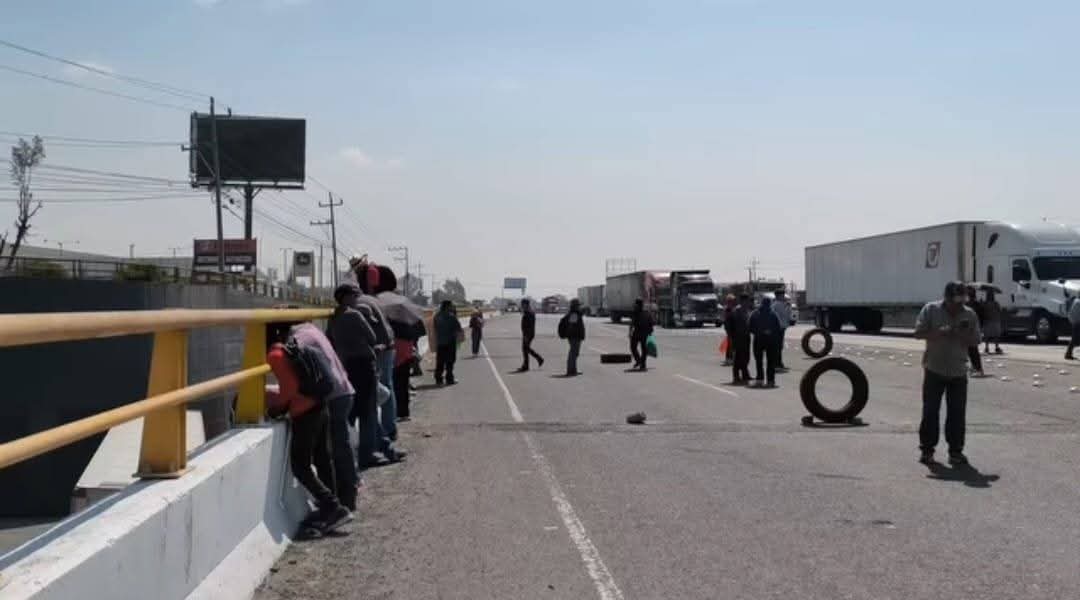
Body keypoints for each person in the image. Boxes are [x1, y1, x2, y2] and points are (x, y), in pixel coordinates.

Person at [266, 321, 356, 527]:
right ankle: (331, 509)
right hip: (320, 406)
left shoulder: (275, 356)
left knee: (300, 466)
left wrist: (277, 409)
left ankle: (333, 506)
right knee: (322, 458)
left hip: (304, 412)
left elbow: (289, 388)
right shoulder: (292, 349)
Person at [328, 282, 405, 470]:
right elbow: (371, 337)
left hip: (347, 366)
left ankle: (384, 446)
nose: (357, 299)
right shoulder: (354, 314)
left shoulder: (334, 317)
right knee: (369, 411)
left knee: (358, 410)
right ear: (346, 297)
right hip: (364, 365)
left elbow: (331, 339)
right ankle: (369, 453)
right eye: (355, 296)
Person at [914, 281, 981, 466]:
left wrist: (962, 335)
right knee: (930, 412)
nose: (958, 305)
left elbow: (976, 339)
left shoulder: (969, 314)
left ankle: (955, 451)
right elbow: (918, 333)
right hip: (934, 368)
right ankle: (927, 450)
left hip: (958, 371)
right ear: (947, 298)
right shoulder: (931, 310)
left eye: (962, 301)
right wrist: (938, 333)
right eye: (955, 301)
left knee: (957, 414)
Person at [749, 295, 783, 388]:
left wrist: (759, 332)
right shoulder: (773, 314)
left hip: (759, 340)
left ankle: (760, 380)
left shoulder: (755, 313)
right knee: (770, 362)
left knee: (759, 361)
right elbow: (779, 328)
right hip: (770, 341)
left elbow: (750, 327)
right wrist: (770, 332)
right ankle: (770, 381)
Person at [434, 300, 462, 384]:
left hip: (440, 342)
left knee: (440, 362)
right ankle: (449, 379)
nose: (452, 307)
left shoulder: (437, 316)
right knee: (450, 362)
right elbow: (458, 328)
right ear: (447, 307)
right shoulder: (451, 316)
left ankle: (438, 379)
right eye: (451, 306)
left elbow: (434, 328)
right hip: (450, 342)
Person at [728, 294, 752, 385]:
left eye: (748, 301)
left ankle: (745, 374)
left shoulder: (747, 311)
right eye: (746, 301)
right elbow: (729, 325)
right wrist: (731, 336)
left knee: (746, 356)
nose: (748, 303)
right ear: (742, 301)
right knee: (738, 357)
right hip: (737, 337)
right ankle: (736, 376)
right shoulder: (736, 311)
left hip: (746, 336)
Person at [559, 299, 587, 376]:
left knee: (575, 353)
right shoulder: (574, 314)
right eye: (578, 306)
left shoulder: (575, 313)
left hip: (574, 336)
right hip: (574, 337)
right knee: (573, 354)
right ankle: (570, 371)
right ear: (575, 306)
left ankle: (573, 370)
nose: (579, 307)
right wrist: (573, 335)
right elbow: (571, 326)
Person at [516, 299, 544, 372]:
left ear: (526, 304)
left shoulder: (529, 313)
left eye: (522, 304)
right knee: (525, 349)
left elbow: (529, 325)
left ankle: (538, 359)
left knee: (525, 348)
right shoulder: (528, 312)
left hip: (528, 334)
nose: (521, 305)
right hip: (528, 333)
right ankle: (528, 364)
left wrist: (526, 335)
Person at [629, 298, 655, 371]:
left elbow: (632, 323)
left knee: (634, 347)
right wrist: (650, 332)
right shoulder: (646, 313)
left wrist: (630, 332)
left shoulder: (636, 312)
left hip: (638, 333)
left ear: (637, 304)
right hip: (644, 333)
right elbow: (652, 323)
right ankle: (642, 364)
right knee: (643, 350)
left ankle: (639, 361)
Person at [965, 287, 986, 377]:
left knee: (971, 350)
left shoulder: (968, 305)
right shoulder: (977, 304)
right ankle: (976, 368)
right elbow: (982, 316)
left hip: (970, 329)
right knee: (972, 350)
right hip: (974, 329)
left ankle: (977, 368)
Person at [771, 290, 794, 371]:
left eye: (783, 295)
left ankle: (779, 363)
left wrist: (788, 306)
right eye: (782, 295)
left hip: (782, 327)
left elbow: (787, 315)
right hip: (777, 328)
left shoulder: (784, 304)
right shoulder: (775, 305)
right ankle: (776, 363)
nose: (783, 297)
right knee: (777, 346)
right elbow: (776, 316)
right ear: (777, 296)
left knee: (780, 346)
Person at [982, 290, 1004, 355]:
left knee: (987, 336)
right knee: (996, 335)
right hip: (994, 321)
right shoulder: (995, 303)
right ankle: (996, 347)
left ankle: (987, 347)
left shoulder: (985, 303)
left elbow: (983, 311)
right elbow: (999, 310)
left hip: (989, 321)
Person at [721, 294, 736, 366]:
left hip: (733, 329)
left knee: (732, 345)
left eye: (732, 301)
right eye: (730, 301)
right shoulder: (727, 309)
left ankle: (731, 359)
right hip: (729, 329)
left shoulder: (733, 309)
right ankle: (728, 359)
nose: (731, 302)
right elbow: (726, 320)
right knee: (730, 345)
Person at [1066, 292, 1080, 360]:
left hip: (1075, 322)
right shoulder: (1078, 302)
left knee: (1075, 338)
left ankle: (1068, 353)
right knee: (1075, 339)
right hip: (1077, 322)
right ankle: (1068, 354)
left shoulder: (1076, 301)